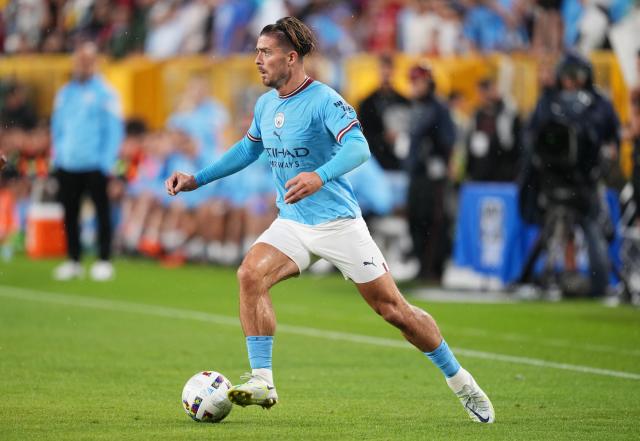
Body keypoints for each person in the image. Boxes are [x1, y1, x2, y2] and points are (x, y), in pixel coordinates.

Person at [165, 17, 494, 423]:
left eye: (265, 52)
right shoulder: (266, 104)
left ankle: (461, 382)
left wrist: (319, 176)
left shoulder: (325, 100)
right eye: (256, 52)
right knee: (250, 274)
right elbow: (248, 151)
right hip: (293, 222)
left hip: (338, 223)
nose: (257, 60)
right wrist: (197, 179)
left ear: (291, 57)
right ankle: (263, 380)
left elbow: (359, 148)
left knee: (394, 311)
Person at [51, 41, 124, 281]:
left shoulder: (106, 94)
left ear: (95, 63)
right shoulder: (65, 93)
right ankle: (73, 259)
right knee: (70, 214)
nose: (82, 65)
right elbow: (58, 128)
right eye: (79, 60)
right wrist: (58, 157)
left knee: (102, 212)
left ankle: (103, 259)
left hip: (95, 163)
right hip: (68, 163)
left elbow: (114, 131)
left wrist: (106, 163)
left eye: (87, 61)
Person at [405, 63, 456, 280]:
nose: (415, 86)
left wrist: (445, 165)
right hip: (416, 172)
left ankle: (434, 267)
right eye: (413, 81)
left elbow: (449, 141)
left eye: (419, 81)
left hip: (433, 174)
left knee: (434, 220)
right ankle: (421, 263)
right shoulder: (415, 108)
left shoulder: (439, 109)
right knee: (415, 217)